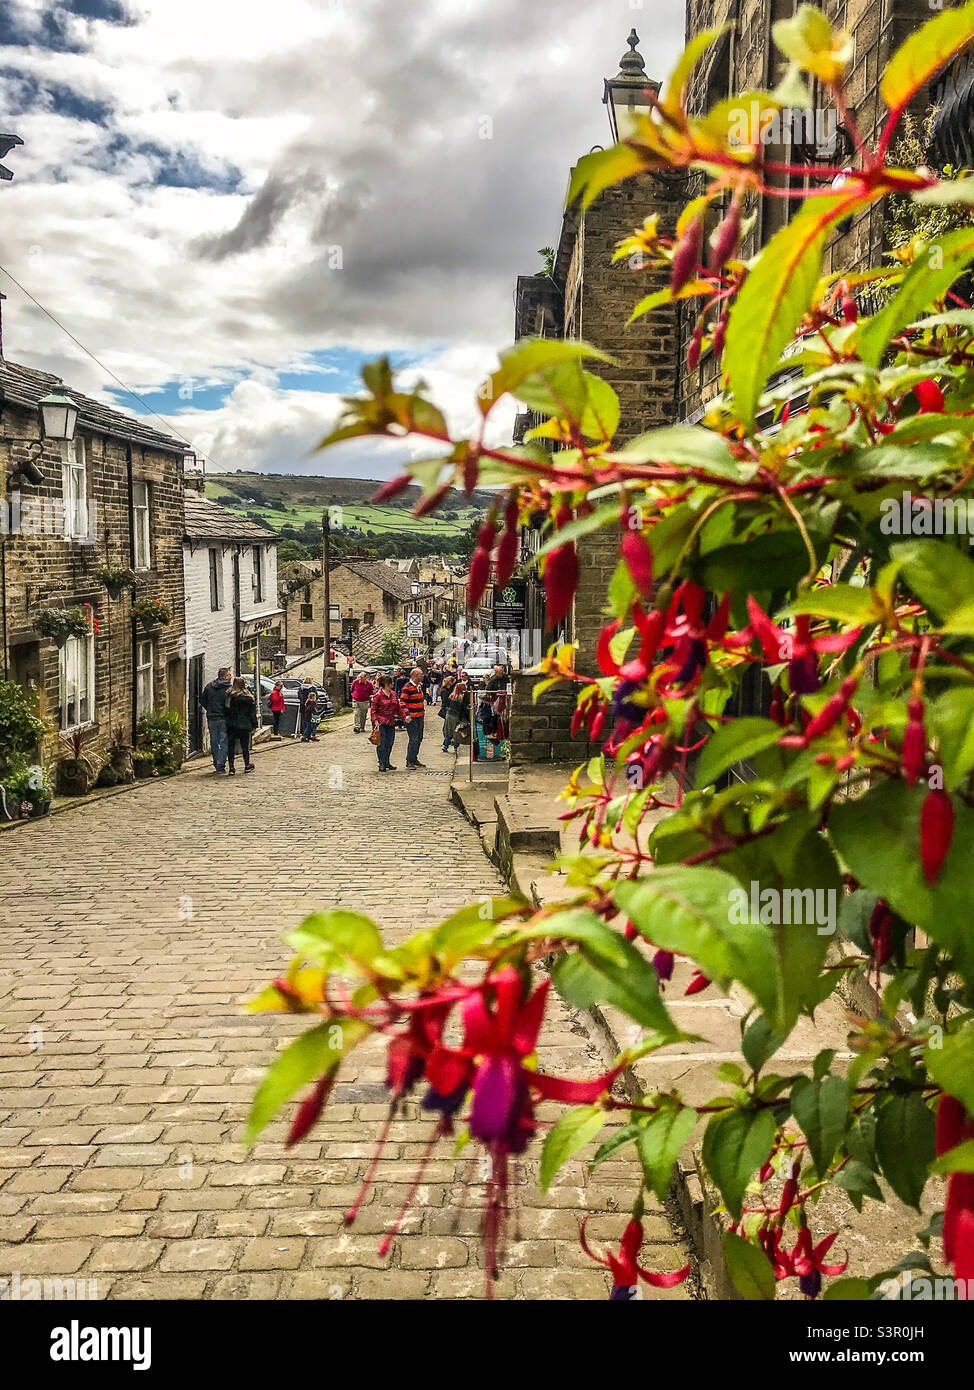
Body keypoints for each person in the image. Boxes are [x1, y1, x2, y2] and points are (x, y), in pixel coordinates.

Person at [199, 666, 231, 773]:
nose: (231, 676)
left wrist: (210, 709)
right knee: (223, 740)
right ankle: (221, 764)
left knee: (214, 739)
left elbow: (202, 700)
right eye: (229, 674)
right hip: (223, 717)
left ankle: (216, 762)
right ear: (225, 676)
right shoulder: (228, 689)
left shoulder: (209, 687)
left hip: (212, 716)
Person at [226, 677, 257, 774]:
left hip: (232, 724)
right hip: (244, 724)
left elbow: (226, 711)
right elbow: (252, 713)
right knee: (245, 746)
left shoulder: (229, 697)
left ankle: (231, 767)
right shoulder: (249, 698)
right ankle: (247, 765)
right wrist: (254, 725)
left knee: (230, 746)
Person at [370, 675, 402, 772]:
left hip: (391, 722)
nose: (393, 684)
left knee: (389, 743)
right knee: (381, 743)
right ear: (387, 684)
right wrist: (375, 722)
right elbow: (373, 711)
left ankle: (387, 761)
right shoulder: (377, 696)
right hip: (380, 722)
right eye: (391, 683)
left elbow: (398, 708)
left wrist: (404, 716)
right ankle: (382, 763)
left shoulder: (394, 694)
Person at [399, 666, 427, 769]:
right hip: (412, 717)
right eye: (421, 674)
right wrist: (407, 714)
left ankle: (414, 758)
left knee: (419, 738)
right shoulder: (407, 687)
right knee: (414, 738)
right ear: (415, 675)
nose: (423, 676)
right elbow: (402, 702)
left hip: (420, 716)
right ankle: (409, 760)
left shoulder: (418, 687)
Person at [443, 674, 470, 753]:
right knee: (457, 731)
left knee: (449, 731)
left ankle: (445, 745)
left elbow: (447, 704)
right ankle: (455, 746)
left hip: (449, 715)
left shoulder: (452, 696)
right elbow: (464, 709)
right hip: (457, 716)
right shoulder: (462, 697)